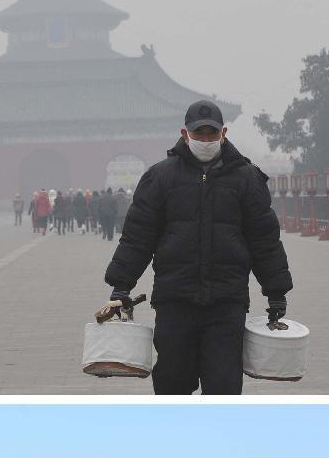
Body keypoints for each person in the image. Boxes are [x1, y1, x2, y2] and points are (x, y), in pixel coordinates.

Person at [105, 99, 293, 395]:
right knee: (172, 383)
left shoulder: (246, 179)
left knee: (224, 384)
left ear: (224, 133)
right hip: (174, 300)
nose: (205, 140)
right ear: (184, 134)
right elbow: (138, 236)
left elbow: (264, 240)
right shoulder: (160, 177)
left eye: (211, 134)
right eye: (199, 134)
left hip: (226, 302)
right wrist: (121, 286)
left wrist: (277, 292)